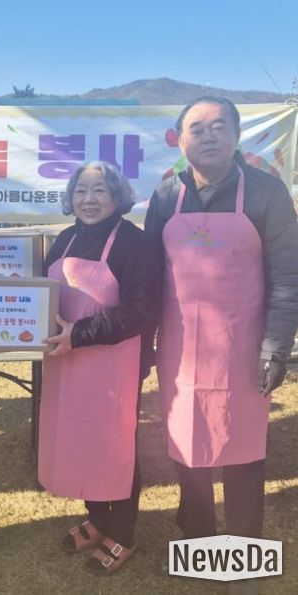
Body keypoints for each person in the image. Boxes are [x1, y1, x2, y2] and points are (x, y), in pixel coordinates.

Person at [145, 97, 298, 545]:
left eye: (218, 127)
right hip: (179, 348)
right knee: (185, 439)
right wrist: (141, 347)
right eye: (196, 129)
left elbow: (287, 277)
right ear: (180, 141)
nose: (208, 136)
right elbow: (149, 277)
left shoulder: (267, 193)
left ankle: (243, 542)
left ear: (237, 135)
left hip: (245, 347)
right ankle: (196, 533)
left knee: (242, 444)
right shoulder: (166, 195)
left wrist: (275, 349)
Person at [38, 161, 160, 575]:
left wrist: (81, 333)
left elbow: (143, 310)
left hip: (114, 367)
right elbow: (40, 295)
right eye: (81, 191)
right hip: (66, 363)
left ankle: (122, 531)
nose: (88, 199)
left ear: (117, 196)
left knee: (116, 446)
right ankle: (98, 518)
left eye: (99, 190)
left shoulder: (134, 243)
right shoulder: (65, 239)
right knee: (80, 440)